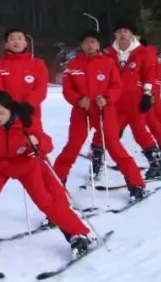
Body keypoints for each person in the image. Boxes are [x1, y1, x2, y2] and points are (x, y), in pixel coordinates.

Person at [0, 91, 96, 255]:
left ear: (11, 110)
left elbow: (48, 145)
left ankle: (78, 234)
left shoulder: (27, 122)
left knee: (46, 200)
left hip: (27, 164)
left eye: (1, 113)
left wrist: (37, 141)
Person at [53, 31, 149, 202]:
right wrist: (77, 99)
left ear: (98, 45)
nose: (90, 45)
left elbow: (116, 86)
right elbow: (67, 89)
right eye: (86, 42)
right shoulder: (73, 65)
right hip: (81, 111)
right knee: (73, 146)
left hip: (104, 110)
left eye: (93, 42)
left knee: (114, 145)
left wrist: (107, 97)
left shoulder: (108, 62)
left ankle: (136, 183)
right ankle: (56, 182)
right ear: (81, 45)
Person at [104, 23, 161, 180]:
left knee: (140, 132)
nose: (123, 34)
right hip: (114, 100)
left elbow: (149, 74)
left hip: (134, 98)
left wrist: (147, 94)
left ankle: (157, 165)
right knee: (108, 132)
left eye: (126, 31)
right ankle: (101, 163)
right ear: (115, 35)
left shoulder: (142, 52)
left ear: (131, 34)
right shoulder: (108, 53)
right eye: (119, 31)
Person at [0, 28, 49, 128]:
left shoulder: (38, 64)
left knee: (33, 136)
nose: (16, 42)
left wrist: (28, 104)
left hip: (30, 113)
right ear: (6, 44)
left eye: (20, 38)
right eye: (12, 39)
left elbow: (41, 89)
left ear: (25, 43)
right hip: (5, 114)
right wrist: (8, 105)